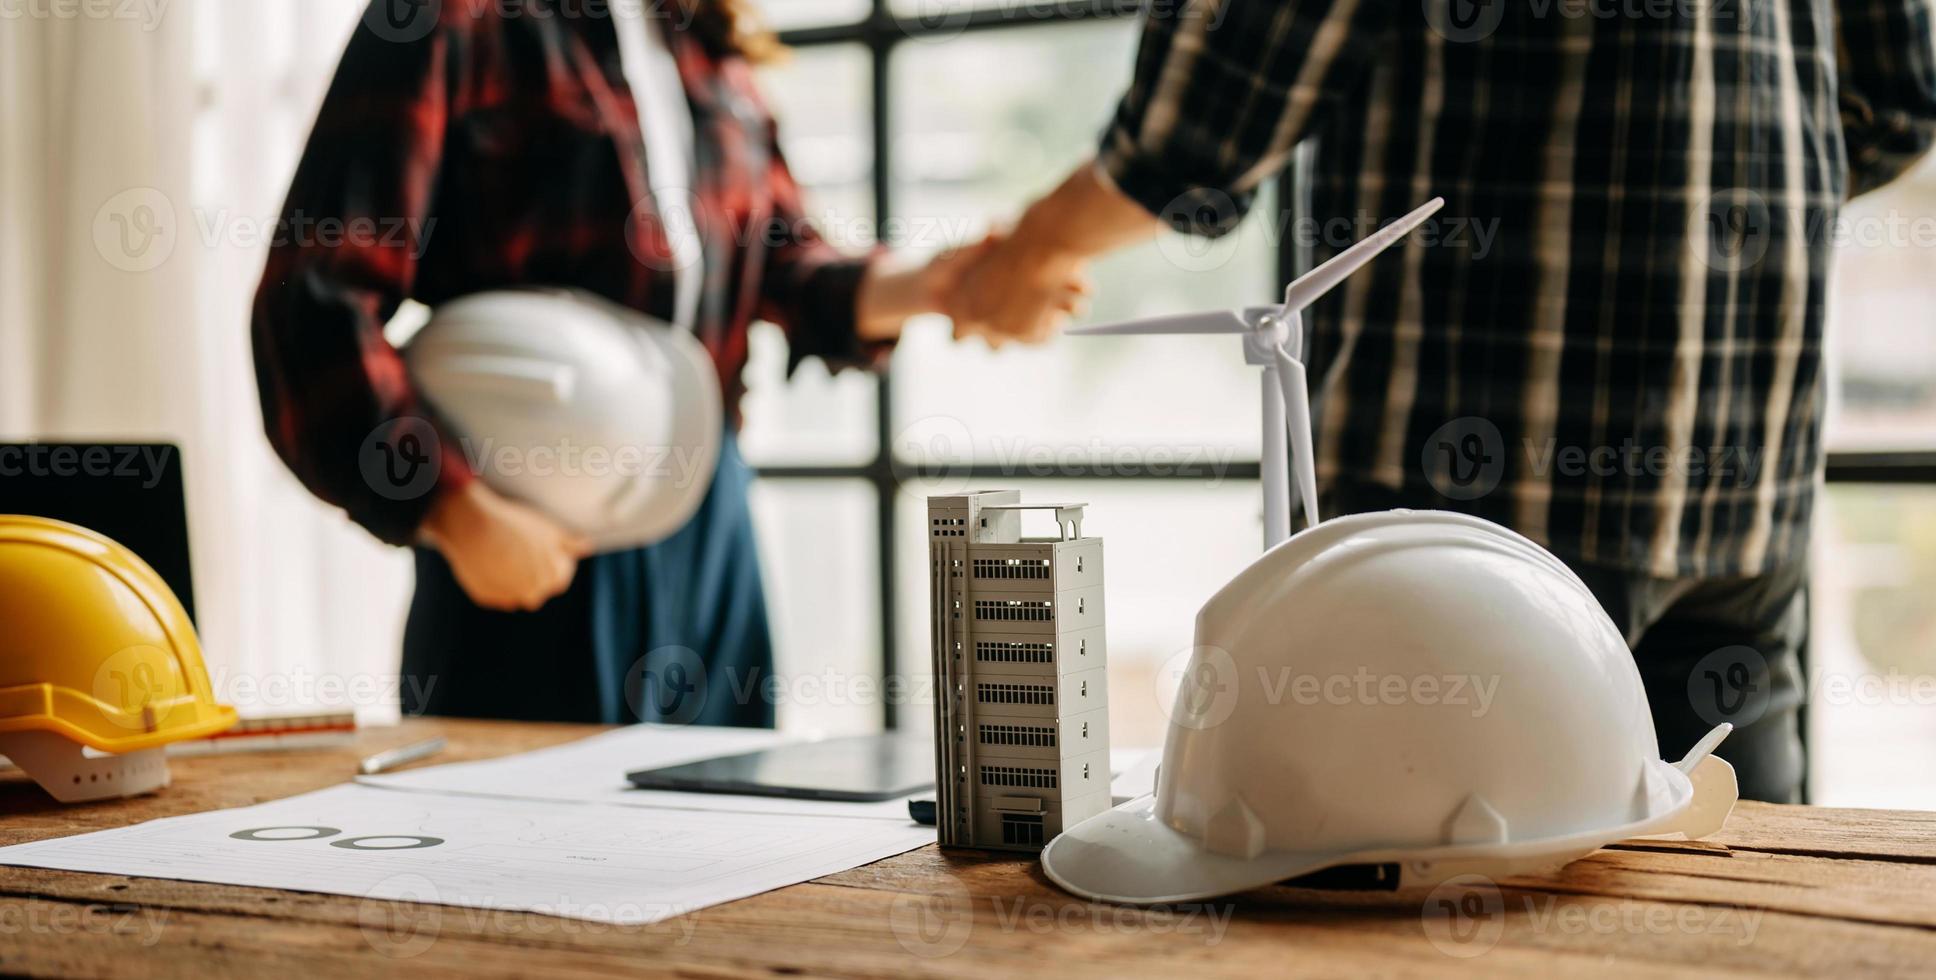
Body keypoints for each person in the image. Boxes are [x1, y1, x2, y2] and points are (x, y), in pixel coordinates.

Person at [954, 0, 1936, 801]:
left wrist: (1031, 251)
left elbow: (1207, 113)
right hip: (1741, 477)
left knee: (1426, 914)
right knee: (1736, 916)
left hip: (1467, 502)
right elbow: (1897, 102)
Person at [251, 0, 1080, 727]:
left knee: (725, 848)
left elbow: (789, 271)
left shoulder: (705, 40)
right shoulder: (452, 16)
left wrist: (942, 287)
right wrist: (449, 510)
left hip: (709, 516)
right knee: (521, 871)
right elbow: (313, 303)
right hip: (528, 531)